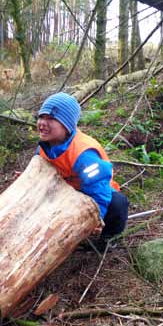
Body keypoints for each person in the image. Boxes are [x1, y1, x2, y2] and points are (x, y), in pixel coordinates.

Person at [36, 92, 129, 251]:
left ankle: (108, 239)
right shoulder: (45, 147)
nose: (42, 123)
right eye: (41, 117)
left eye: (51, 119)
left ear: (67, 125)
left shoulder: (83, 154)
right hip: (65, 193)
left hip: (91, 193)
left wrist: (95, 218)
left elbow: (98, 188)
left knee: (118, 204)